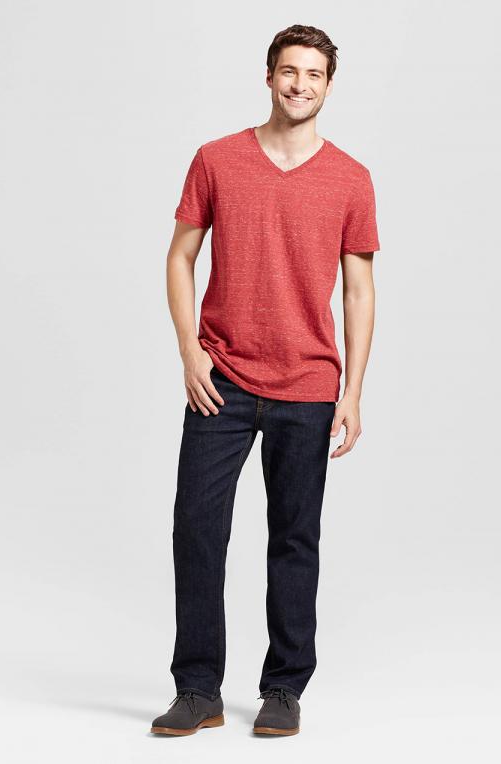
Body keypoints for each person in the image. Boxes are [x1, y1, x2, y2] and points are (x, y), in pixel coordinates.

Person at [150, 23, 380, 737]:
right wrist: (189, 350)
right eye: (289, 71)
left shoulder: (351, 178)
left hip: (308, 384)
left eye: (313, 74)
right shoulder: (217, 159)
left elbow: (359, 291)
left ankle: (284, 688)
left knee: (294, 538)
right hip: (221, 378)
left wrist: (353, 390)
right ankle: (198, 690)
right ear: (269, 76)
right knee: (197, 529)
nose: (299, 84)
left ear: (329, 85)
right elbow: (180, 256)